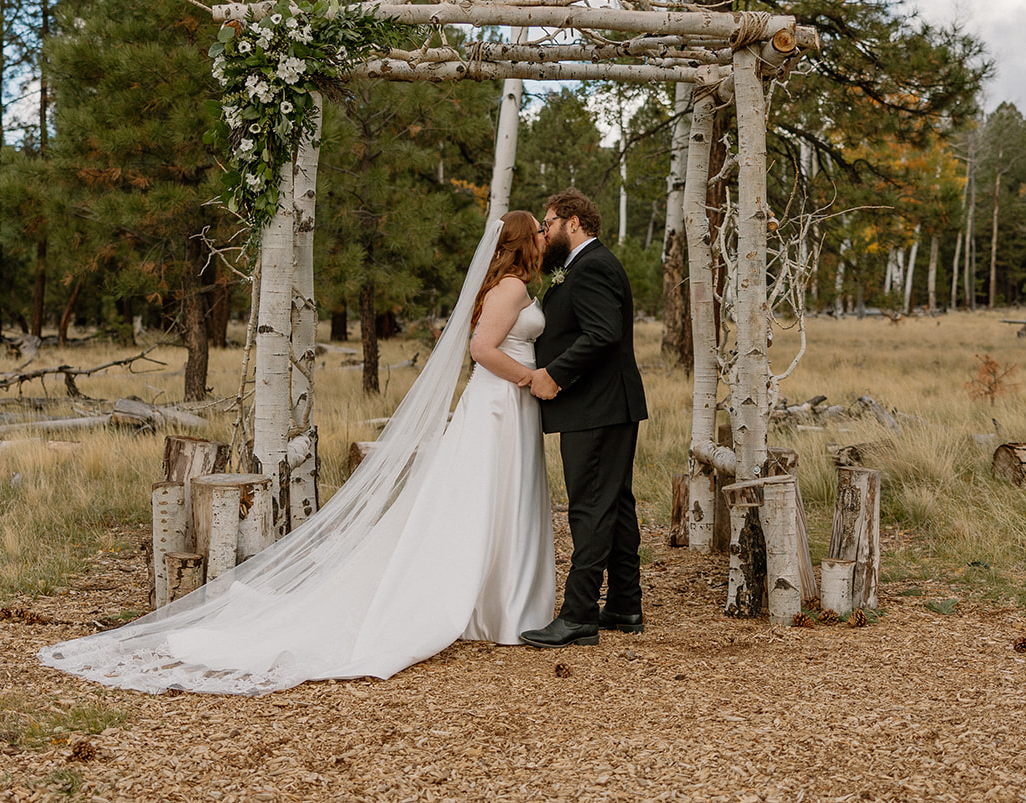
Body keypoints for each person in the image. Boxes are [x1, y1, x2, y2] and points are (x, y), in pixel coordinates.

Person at [38, 211, 555, 695]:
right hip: (499, 406)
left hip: (506, 404)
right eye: (536, 232)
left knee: (493, 498)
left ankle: (498, 602)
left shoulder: (509, 287)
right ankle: (494, 607)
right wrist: (531, 377)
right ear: (519, 244)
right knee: (492, 494)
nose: (542, 239)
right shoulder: (510, 288)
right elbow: (482, 351)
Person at [520, 189, 649, 649]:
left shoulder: (592, 265)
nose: (544, 231)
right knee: (613, 503)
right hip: (603, 404)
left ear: (573, 222)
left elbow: (603, 334)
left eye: (548, 223)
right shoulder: (580, 265)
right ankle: (624, 604)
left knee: (590, 507)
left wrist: (555, 373)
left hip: (598, 404)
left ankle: (578, 615)